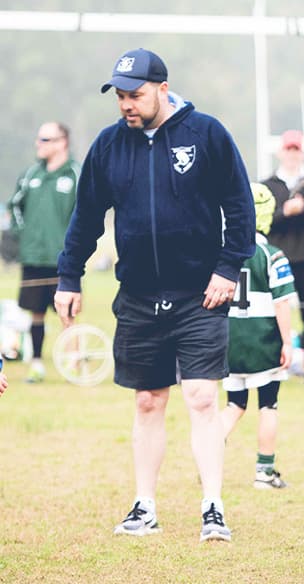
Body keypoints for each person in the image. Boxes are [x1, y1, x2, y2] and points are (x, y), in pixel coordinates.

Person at [55, 48, 256, 542]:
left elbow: (240, 205)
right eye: (120, 95)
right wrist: (68, 276)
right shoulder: (108, 146)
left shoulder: (205, 133)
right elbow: (85, 219)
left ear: (162, 89)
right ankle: (144, 506)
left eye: (135, 95)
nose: (126, 104)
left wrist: (229, 268)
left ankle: (213, 507)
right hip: (140, 296)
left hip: (201, 294)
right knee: (148, 400)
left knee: (202, 395)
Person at [220, 183, 295, 490]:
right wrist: (288, 341)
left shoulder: (221, 253)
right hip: (263, 340)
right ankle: (265, 472)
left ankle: (207, 455)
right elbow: (281, 302)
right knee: (268, 404)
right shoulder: (271, 255)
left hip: (228, 341)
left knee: (235, 404)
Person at [7, 122, 79, 383]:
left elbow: (84, 214)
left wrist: (75, 246)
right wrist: (22, 233)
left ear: (62, 142)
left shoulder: (74, 175)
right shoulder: (30, 175)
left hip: (63, 259)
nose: (39, 144)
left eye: (45, 139)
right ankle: (36, 364)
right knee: (34, 311)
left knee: (68, 313)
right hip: (33, 256)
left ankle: (75, 362)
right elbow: (14, 205)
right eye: (39, 139)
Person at [263, 130, 304, 384]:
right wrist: (286, 211)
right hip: (278, 258)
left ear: (301, 153)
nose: (292, 155)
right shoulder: (268, 184)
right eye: (288, 150)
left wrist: (301, 210)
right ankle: (272, 365)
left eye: (296, 150)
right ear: (281, 152)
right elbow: (266, 221)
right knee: (272, 314)